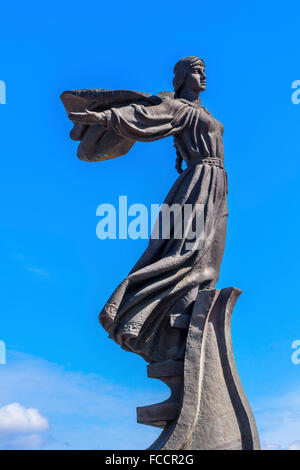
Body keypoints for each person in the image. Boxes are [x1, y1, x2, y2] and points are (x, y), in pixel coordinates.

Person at [69, 56, 229, 364]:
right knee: (188, 251)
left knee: (209, 259)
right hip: (198, 183)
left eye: (204, 71)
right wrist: (102, 118)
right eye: (197, 72)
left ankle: (192, 316)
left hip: (218, 183)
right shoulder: (179, 108)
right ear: (182, 78)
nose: (203, 76)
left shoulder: (202, 111)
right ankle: (137, 313)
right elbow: (142, 115)